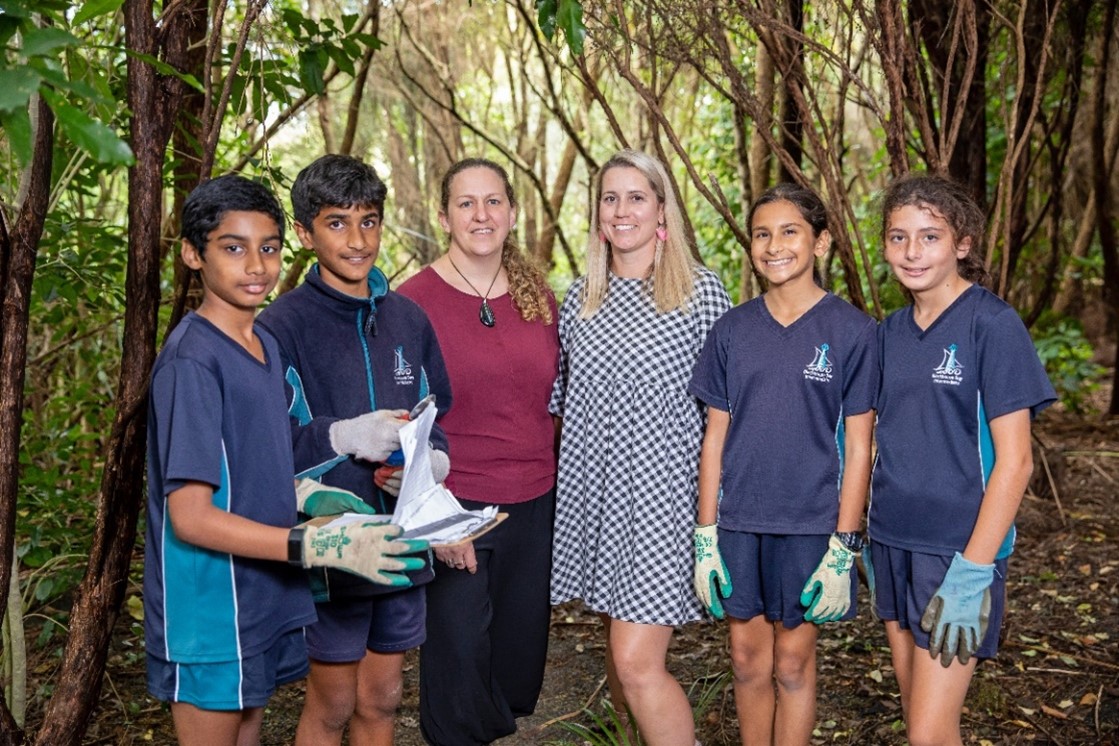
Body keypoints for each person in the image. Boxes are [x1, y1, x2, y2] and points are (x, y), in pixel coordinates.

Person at [143, 174, 427, 746]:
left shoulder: (262, 346)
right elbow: (190, 517)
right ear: (192, 255)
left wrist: (315, 501)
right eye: (233, 247)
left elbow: (264, 462)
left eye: (267, 248)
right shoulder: (192, 362)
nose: (255, 265)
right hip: (210, 608)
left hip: (265, 597)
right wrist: (315, 545)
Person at [256, 155, 453, 746]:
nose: (357, 239)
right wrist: (341, 436)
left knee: (383, 698)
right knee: (334, 702)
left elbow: (432, 418)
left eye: (369, 221)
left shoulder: (409, 320)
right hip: (332, 548)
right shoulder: (279, 326)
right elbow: (265, 450)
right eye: (337, 223)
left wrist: (429, 464)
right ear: (304, 232)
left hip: (402, 538)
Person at [549, 149, 730, 745]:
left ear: (661, 210)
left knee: (636, 661)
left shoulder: (700, 293)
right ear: (597, 213)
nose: (621, 209)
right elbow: (559, 400)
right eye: (610, 197)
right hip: (596, 494)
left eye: (636, 197)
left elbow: (731, 413)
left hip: (665, 500)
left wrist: (717, 517)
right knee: (616, 645)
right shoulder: (579, 299)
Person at [687, 184, 878, 745]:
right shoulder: (731, 330)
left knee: (792, 663)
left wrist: (845, 546)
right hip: (740, 520)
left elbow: (860, 445)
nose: (774, 245)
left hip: (811, 523)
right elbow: (714, 438)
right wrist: (705, 537)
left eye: (790, 231)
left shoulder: (853, 331)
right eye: (762, 233)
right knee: (748, 660)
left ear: (819, 243)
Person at [869, 173, 1056, 745]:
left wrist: (974, 571)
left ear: (962, 244)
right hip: (891, 543)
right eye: (899, 237)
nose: (913, 251)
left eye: (930, 236)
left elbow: (1017, 461)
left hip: (958, 553)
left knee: (929, 733)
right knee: (919, 718)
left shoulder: (992, 325)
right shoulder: (890, 333)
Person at [397, 158, 560, 745]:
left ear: (512, 213)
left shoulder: (540, 299)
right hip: (456, 504)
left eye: (493, 201)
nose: (481, 214)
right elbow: (402, 428)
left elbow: (557, 401)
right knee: (459, 661)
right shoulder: (411, 303)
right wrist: (434, 519)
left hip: (535, 502)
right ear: (444, 216)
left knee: (516, 669)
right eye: (466, 203)